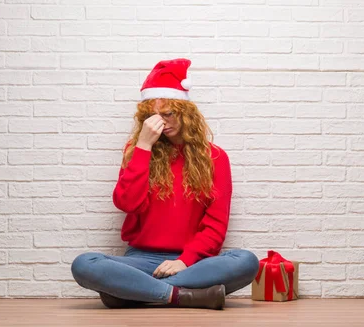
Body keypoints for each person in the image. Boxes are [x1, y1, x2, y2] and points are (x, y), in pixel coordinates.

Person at [71, 58, 259, 310]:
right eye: (152, 116)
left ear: (186, 113)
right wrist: (144, 146)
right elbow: (126, 203)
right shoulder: (136, 151)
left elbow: (216, 225)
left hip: (194, 262)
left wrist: (185, 260)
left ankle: (134, 290)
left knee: (245, 261)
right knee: (85, 264)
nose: (160, 122)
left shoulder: (215, 157)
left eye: (168, 114)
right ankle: (183, 296)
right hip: (142, 259)